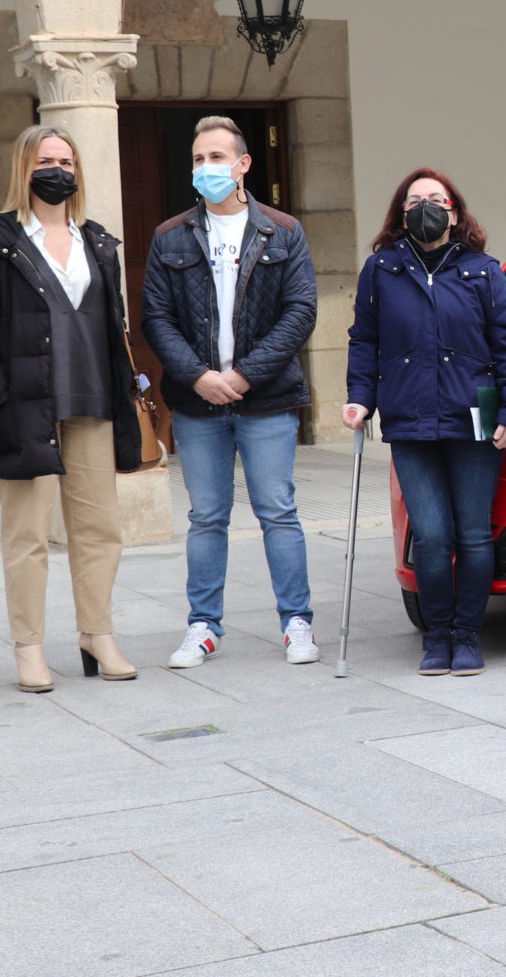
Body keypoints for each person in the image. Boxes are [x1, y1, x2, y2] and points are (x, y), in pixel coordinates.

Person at [0, 125, 143, 693]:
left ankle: (97, 634)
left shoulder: (98, 242)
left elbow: (113, 324)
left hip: (93, 402)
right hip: (26, 408)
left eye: (66, 161)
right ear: (24, 168)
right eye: (45, 161)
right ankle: (29, 647)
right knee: (28, 534)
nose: (57, 170)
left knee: (100, 529)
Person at [143, 116, 321, 670]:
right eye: (198, 159)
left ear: (243, 165)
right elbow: (156, 317)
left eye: (216, 157)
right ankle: (203, 626)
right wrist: (199, 376)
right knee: (206, 517)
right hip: (197, 404)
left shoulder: (282, 231)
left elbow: (300, 312)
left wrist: (243, 376)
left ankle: (296, 623)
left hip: (266, 399)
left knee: (278, 512)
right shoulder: (170, 236)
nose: (206, 168)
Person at [343, 169, 506, 676]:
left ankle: (467, 636)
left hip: (474, 419)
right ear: (401, 213)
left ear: (453, 211)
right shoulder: (381, 270)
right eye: (414, 200)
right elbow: (364, 339)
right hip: (410, 419)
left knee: (472, 534)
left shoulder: (482, 271)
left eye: (435, 199)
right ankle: (437, 635)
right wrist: (360, 399)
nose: (425, 206)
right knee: (429, 536)